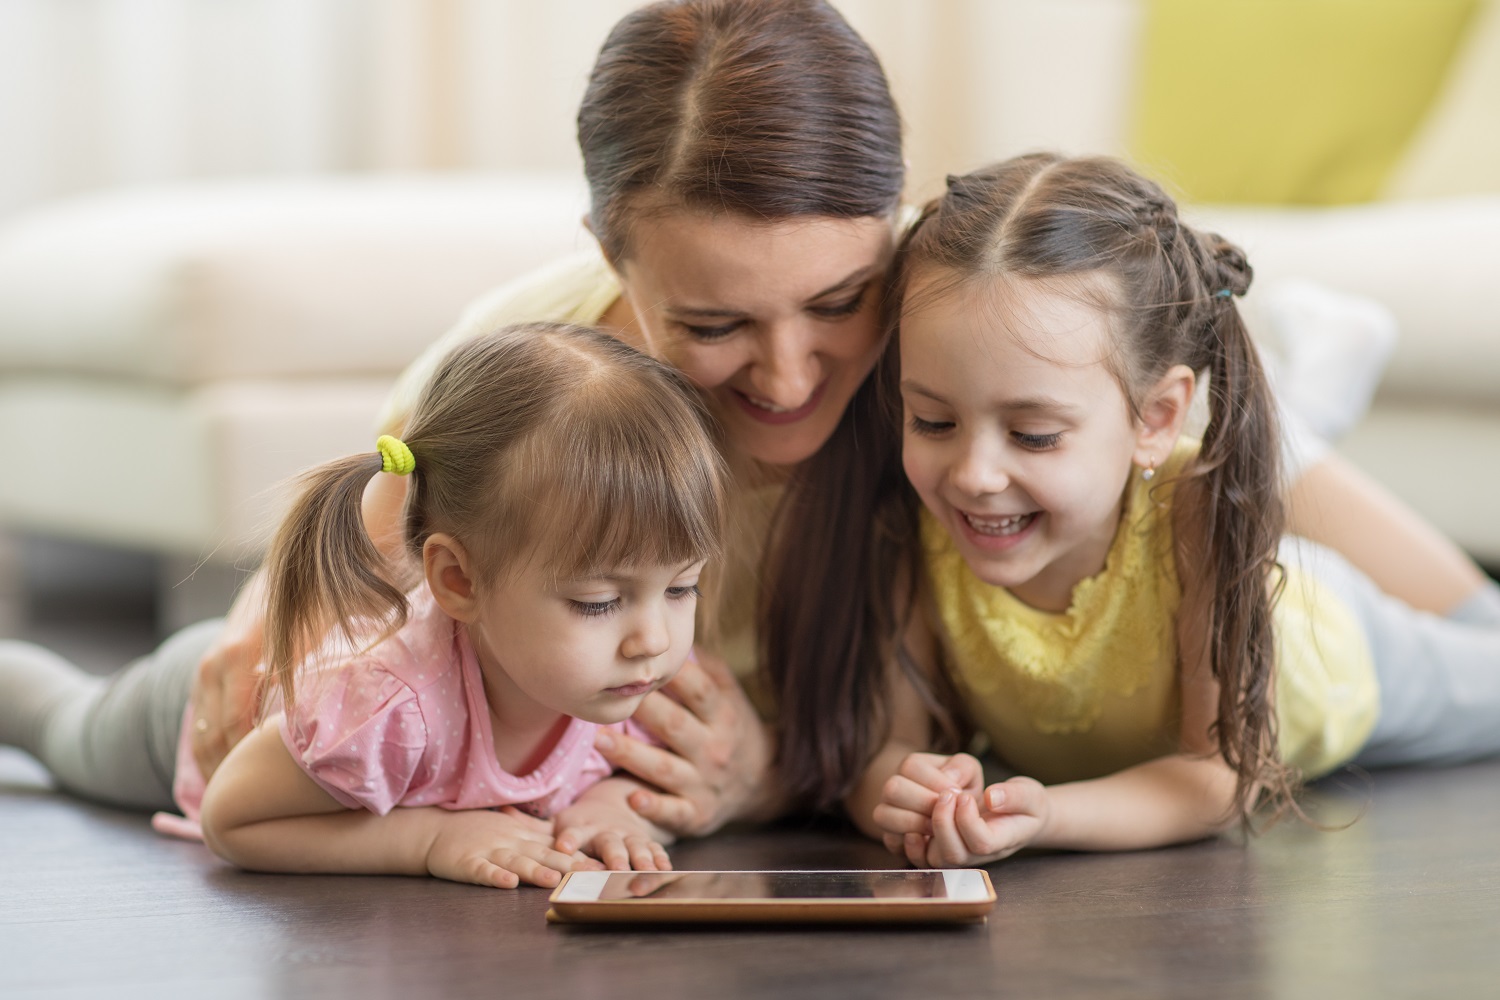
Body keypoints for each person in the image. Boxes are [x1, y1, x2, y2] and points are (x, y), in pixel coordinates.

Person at [40, 0, 1490, 841]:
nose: (791, 379)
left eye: (840, 301)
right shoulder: (530, 381)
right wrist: (273, 635)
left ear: (901, 235)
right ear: (618, 264)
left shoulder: (962, 353)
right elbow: (359, 566)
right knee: (126, 716)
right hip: (461, 770)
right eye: (716, 327)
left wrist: (772, 776)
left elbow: (1248, 474)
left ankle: (1313, 353)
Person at [770, 153, 1500, 864]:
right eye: (932, 421)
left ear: (1155, 419)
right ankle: (1299, 409)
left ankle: (1294, 425)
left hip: (1336, 653)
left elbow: (1217, 778)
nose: (974, 475)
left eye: (1033, 434)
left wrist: (1052, 815)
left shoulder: (1196, 514)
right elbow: (887, 753)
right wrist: (904, 794)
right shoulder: (917, 524)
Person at [0, 323, 727, 888]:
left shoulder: (630, 672)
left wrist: (606, 809)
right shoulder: (388, 710)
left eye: (680, 587)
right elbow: (235, 816)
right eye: (599, 602)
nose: (654, 639)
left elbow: (653, 777)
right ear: (460, 582)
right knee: (60, 725)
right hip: (197, 718)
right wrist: (428, 840)